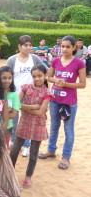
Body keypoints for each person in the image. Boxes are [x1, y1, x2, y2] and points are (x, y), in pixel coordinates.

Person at [39, 35, 86, 170]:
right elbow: (50, 77)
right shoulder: (56, 61)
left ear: (74, 47)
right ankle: (51, 150)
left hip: (69, 102)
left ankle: (66, 157)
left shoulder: (79, 63)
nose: (64, 49)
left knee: (68, 129)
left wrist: (66, 84)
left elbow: (82, 84)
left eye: (67, 47)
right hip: (55, 99)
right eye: (62, 46)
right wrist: (56, 81)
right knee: (54, 126)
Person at [10, 64, 51, 189]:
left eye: (40, 76)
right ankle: (9, 173)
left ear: (45, 75)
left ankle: (28, 177)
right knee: (14, 150)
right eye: (34, 76)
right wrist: (32, 107)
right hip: (24, 123)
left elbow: (40, 113)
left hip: (38, 125)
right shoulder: (26, 88)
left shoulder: (47, 93)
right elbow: (17, 104)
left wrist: (25, 107)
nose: (37, 78)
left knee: (33, 153)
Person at [7, 35, 46, 157]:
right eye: (25, 45)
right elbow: (7, 76)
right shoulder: (12, 59)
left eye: (30, 45)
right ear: (19, 46)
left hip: (30, 95)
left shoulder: (34, 58)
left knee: (28, 122)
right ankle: (13, 143)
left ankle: (26, 146)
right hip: (15, 94)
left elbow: (44, 70)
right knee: (13, 119)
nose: (28, 47)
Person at [0, 66, 20, 149]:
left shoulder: (14, 95)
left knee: (4, 149)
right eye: (4, 78)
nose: (7, 81)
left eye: (10, 78)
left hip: (7, 127)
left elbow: (13, 115)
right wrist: (6, 112)